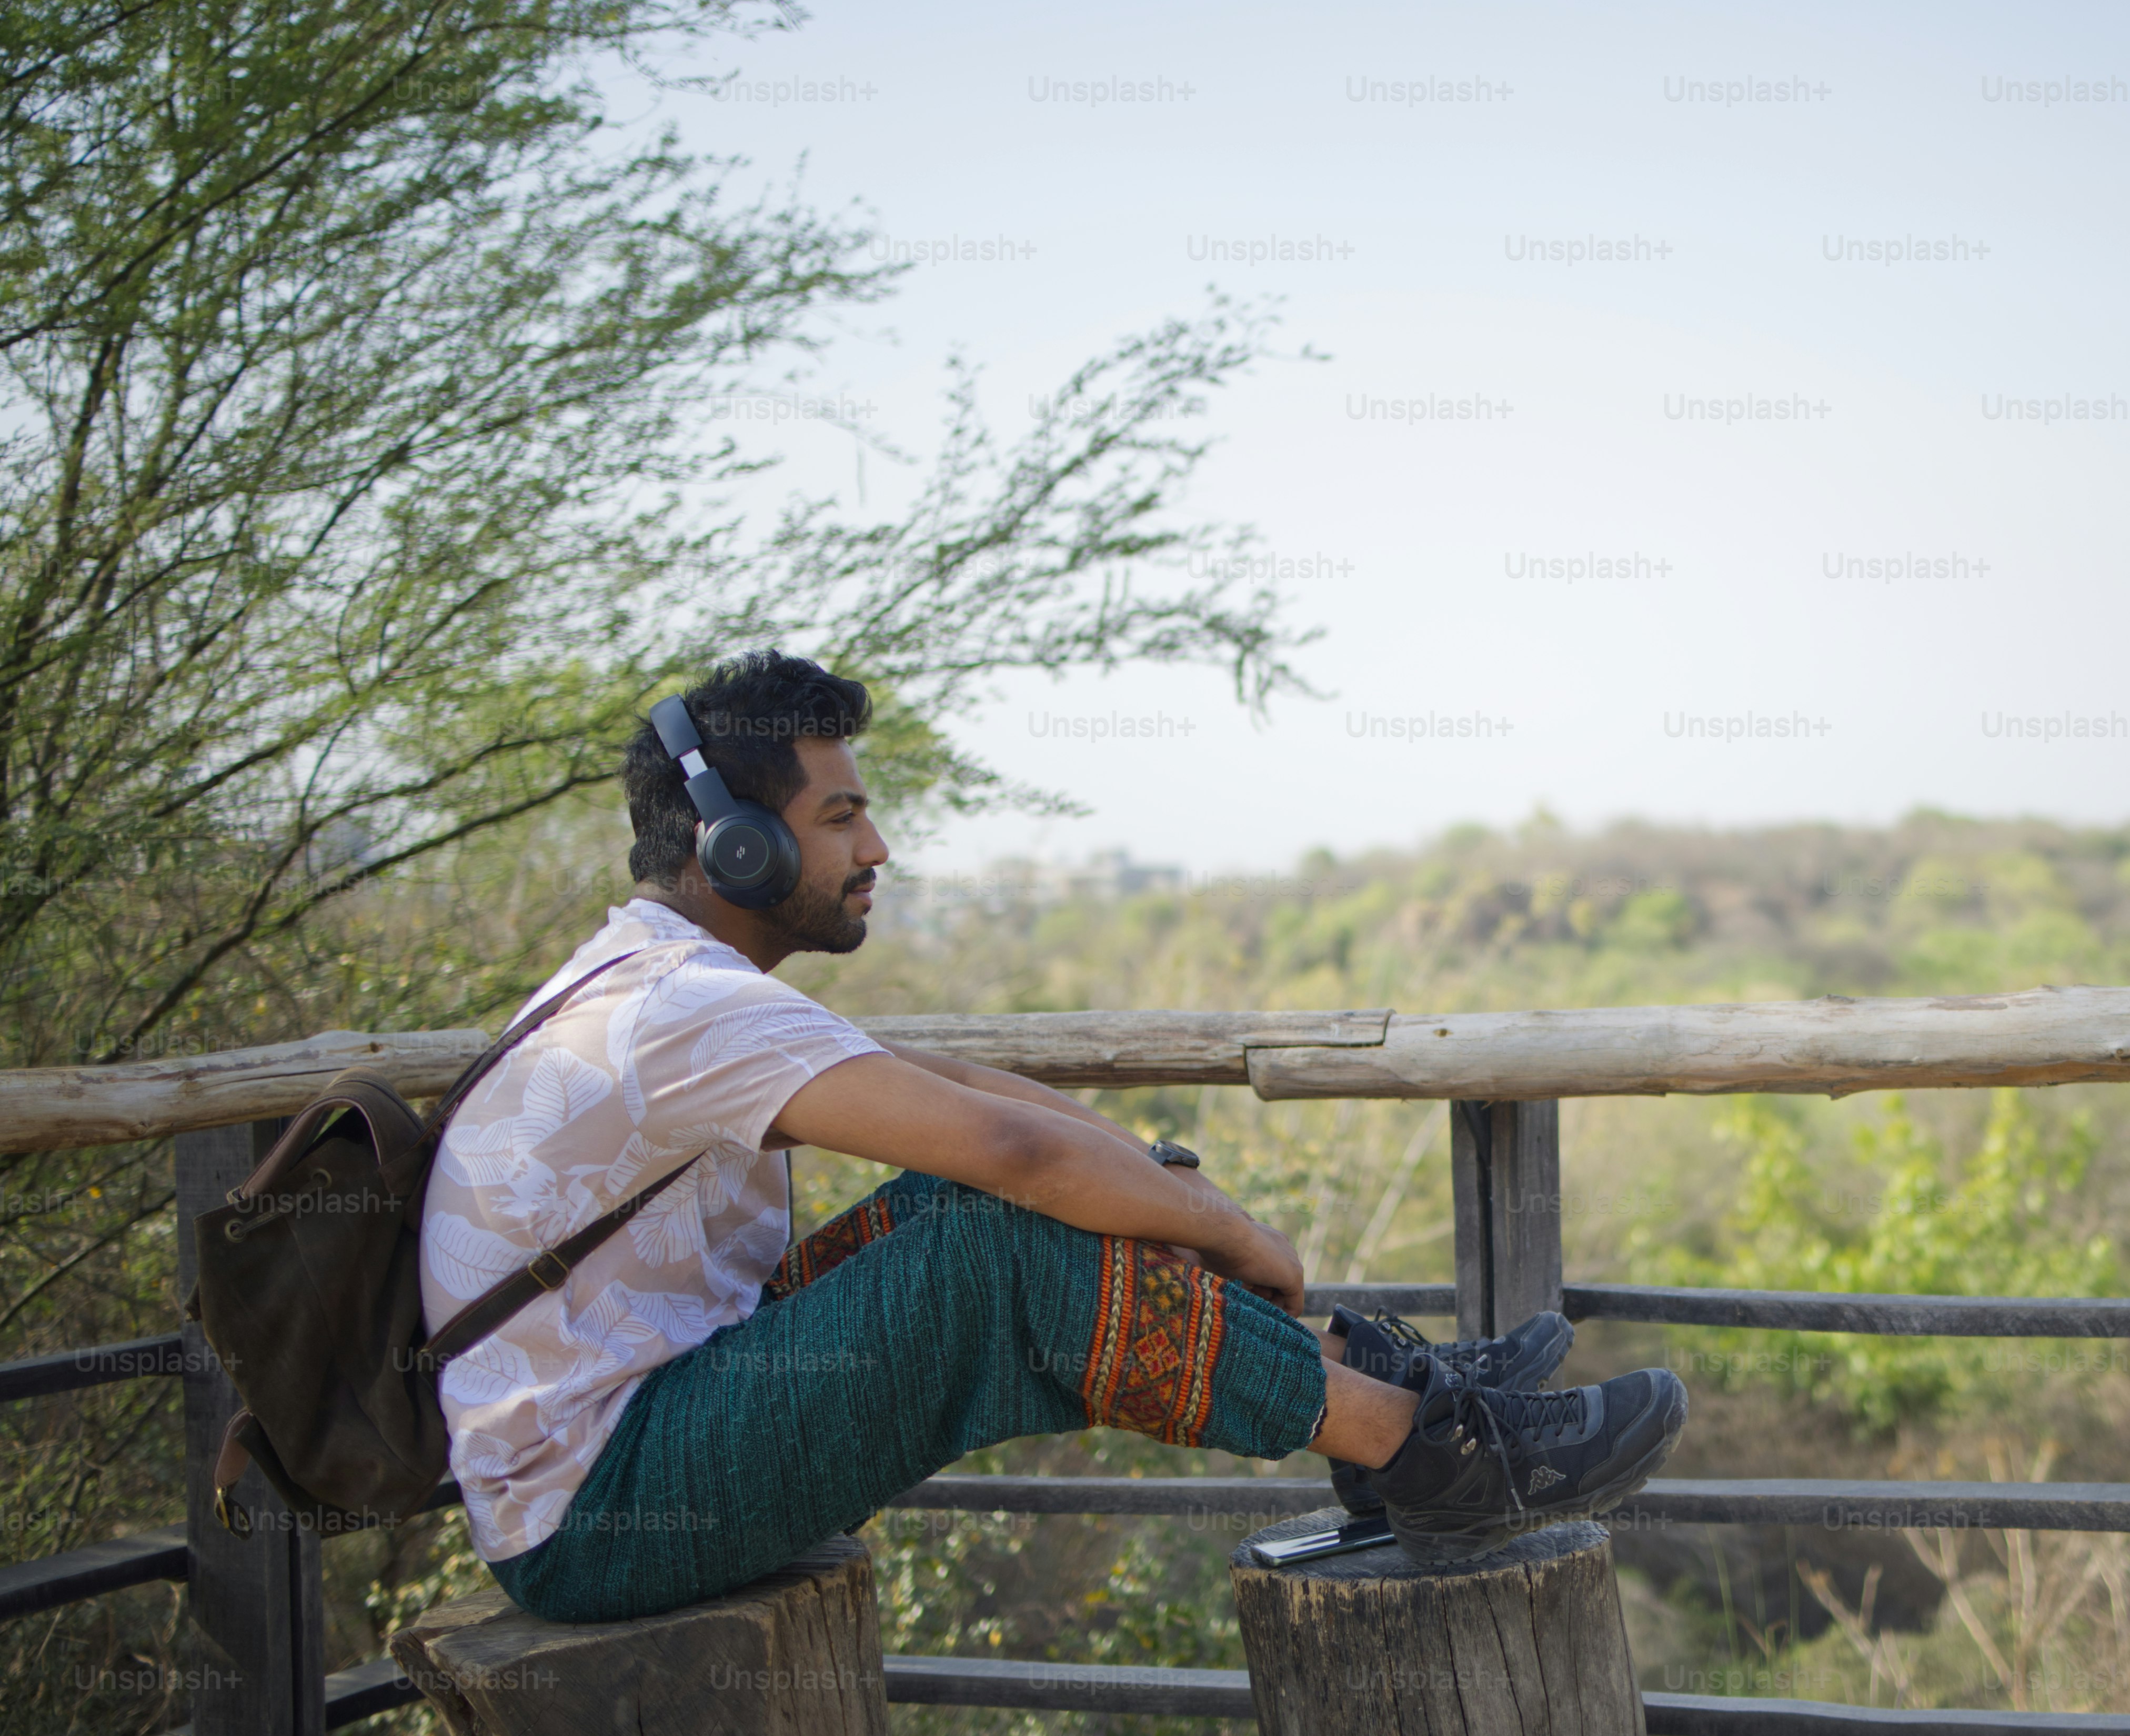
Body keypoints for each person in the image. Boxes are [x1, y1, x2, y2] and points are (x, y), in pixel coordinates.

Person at [420, 649, 1685, 1621]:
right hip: (598, 1512)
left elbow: (984, 1101)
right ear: (734, 844)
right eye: (842, 814)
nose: (877, 846)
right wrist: (1239, 1233)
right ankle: (1424, 1452)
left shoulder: (668, 982)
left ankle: (1390, 1391)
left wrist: (1164, 1184)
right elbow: (1019, 1162)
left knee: (973, 1210)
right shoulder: (681, 1006)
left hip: (647, 1438)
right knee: (994, 1242)